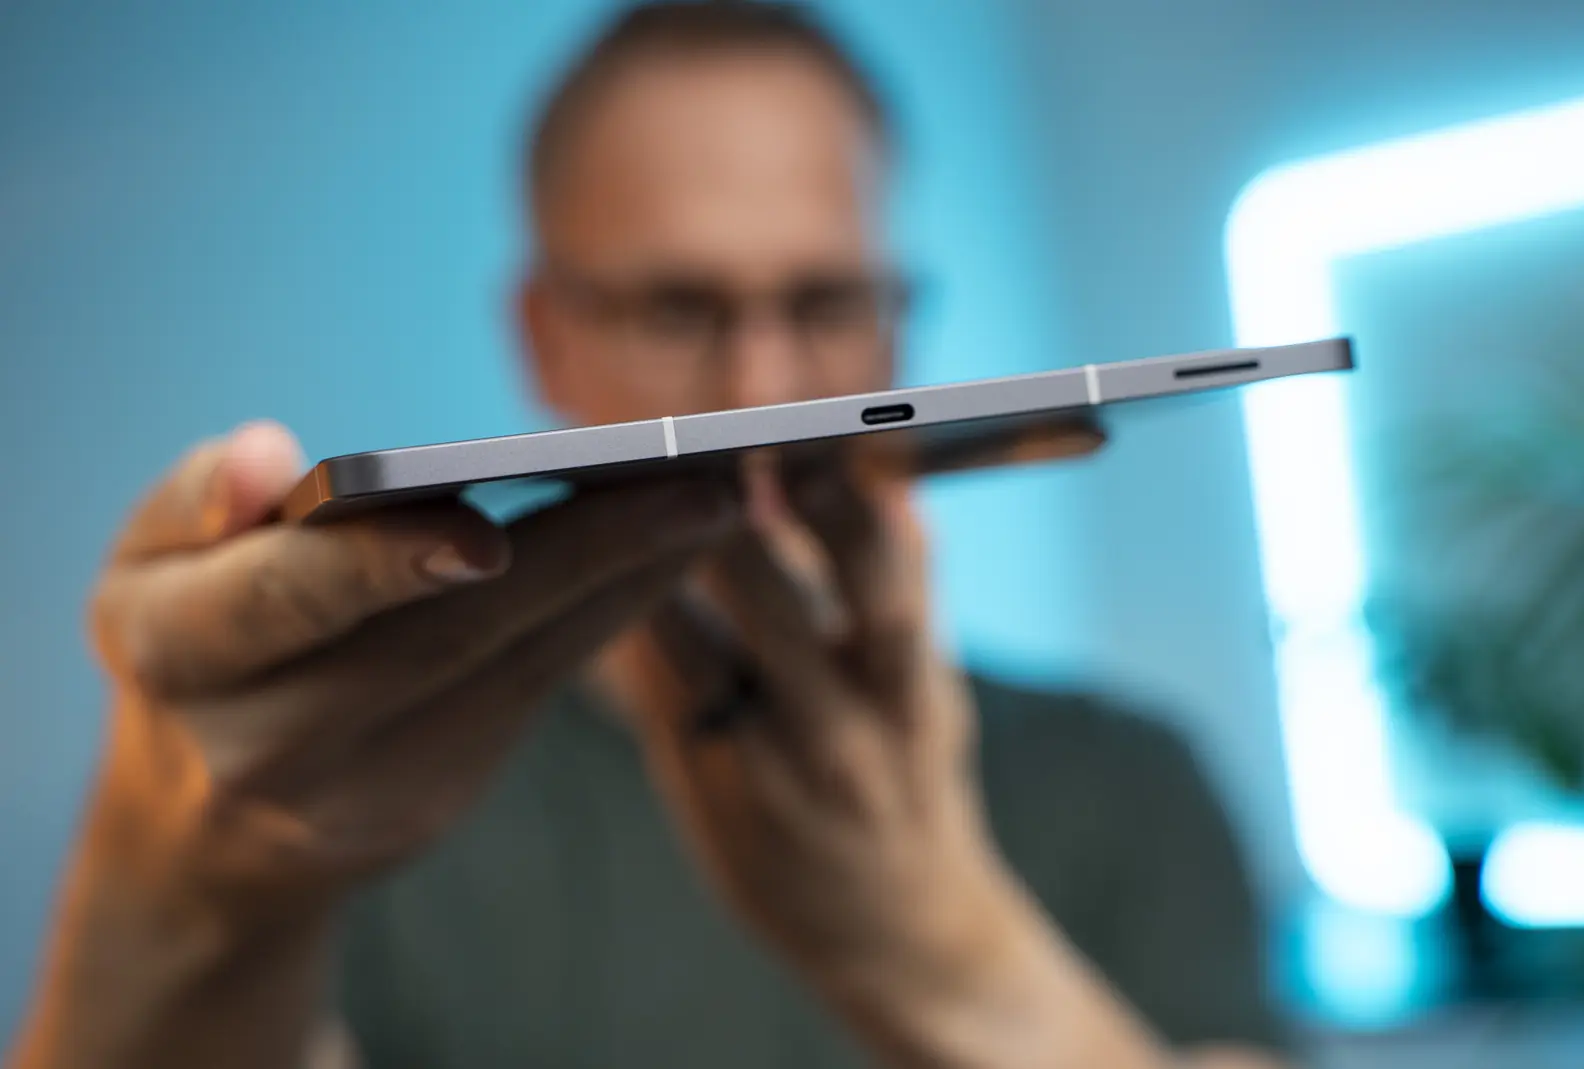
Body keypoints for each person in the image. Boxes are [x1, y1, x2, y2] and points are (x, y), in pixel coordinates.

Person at [8, 4, 1290, 1068]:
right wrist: (186, 901)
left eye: (825, 301)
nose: (762, 387)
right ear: (542, 336)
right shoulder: (363, 798)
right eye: (679, 309)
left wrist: (936, 947)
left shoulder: (1127, 784)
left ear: (901, 322)